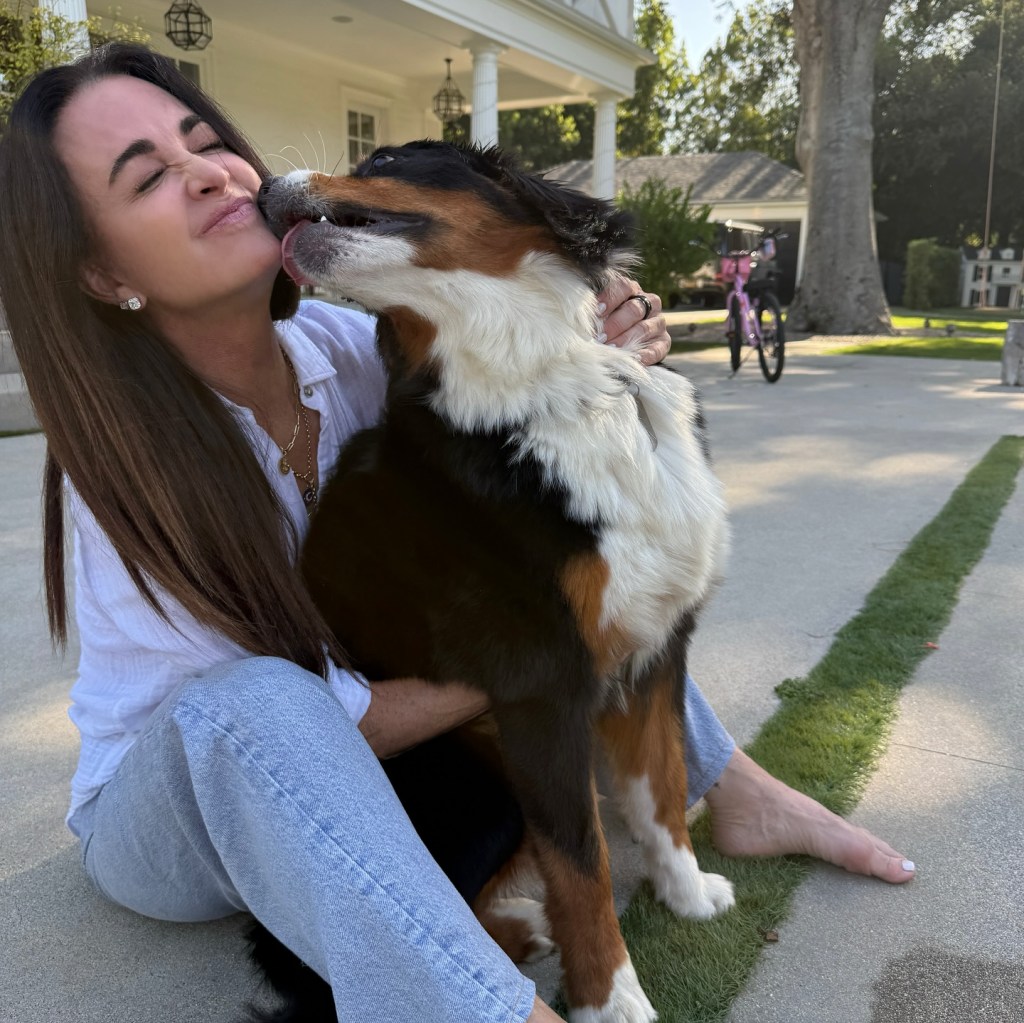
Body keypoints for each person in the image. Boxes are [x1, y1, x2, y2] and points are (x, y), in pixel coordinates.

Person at [0, 43, 913, 1023]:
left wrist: (587, 343)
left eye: (205, 140)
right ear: (102, 273)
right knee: (253, 701)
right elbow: (327, 722)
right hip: (189, 819)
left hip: (380, 763)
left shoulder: (360, 346)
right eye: (148, 177)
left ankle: (728, 784)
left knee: (564, 524)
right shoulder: (121, 469)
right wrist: (547, 646)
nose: (210, 172)